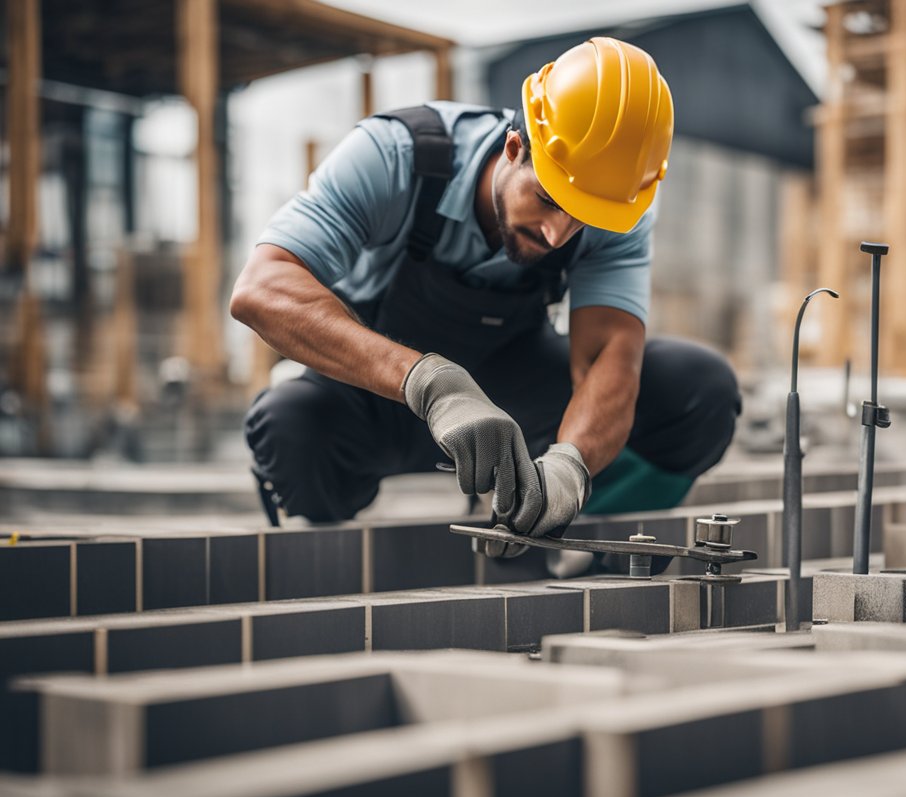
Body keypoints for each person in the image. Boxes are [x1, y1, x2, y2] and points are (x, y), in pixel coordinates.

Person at [230, 37, 740, 564]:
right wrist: (431, 384)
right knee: (291, 423)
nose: (556, 234)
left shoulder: (615, 208)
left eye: (581, 217)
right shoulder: (396, 156)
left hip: (509, 398)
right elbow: (261, 288)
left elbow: (608, 352)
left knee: (696, 389)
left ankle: (562, 539)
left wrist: (572, 465)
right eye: (546, 199)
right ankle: (324, 555)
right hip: (377, 395)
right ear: (515, 148)